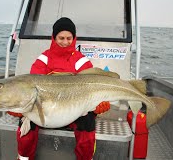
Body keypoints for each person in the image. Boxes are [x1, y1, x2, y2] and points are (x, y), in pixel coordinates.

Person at [7, 17, 110, 160]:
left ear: (74, 38)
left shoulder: (81, 61)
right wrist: (17, 106)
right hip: (44, 111)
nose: (65, 42)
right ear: (54, 38)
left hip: (74, 112)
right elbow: (31, 87)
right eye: (61, 38)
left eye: (69, 38)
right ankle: (24, 158)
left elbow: (92, 87)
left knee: (88, 122)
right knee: (26, 123)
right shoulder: (44, 59)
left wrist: (99, 105)